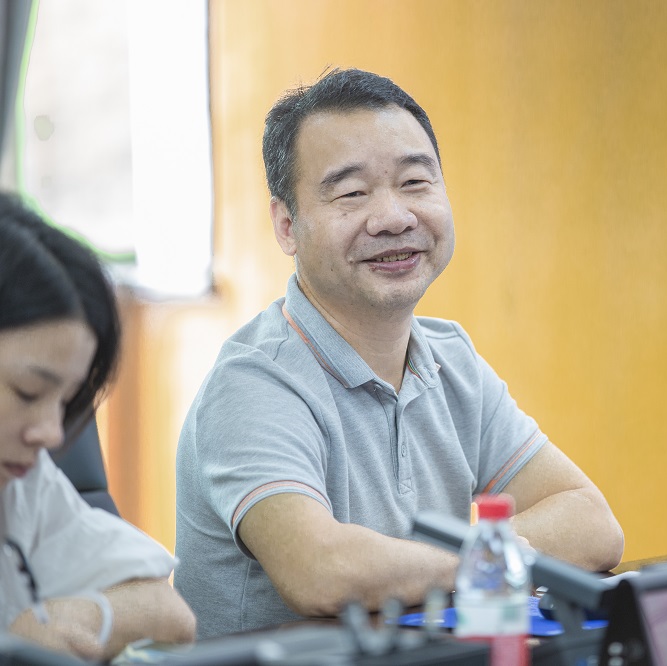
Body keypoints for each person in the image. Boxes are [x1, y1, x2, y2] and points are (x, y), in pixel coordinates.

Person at [175, 68, 624, 638]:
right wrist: (493, 558)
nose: (393, 217)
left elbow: (592, 521)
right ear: (287, 226)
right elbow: (322, 572)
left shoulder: (451, 360)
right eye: (352, 193)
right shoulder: (253, 383)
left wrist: (474, 559)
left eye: (415, 182)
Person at [0, 192, 196, 659]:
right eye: (28, 392)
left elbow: (169, 612)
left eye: (66, 401)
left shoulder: (24, 485)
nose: (52, 433)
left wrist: (78, 619)